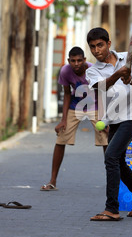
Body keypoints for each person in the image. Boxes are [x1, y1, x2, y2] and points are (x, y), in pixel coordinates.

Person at [86, 27, 132, 221]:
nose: (96, 50)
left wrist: (130, 79)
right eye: (92, 47)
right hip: (114, 117)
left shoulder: (128, 59)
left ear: (108, 44)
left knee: (110, 156)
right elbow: (101, 87)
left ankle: (112, 209)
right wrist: (118, 75)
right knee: (117, 161)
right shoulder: (92, 71)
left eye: (100, 45)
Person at [40, 46, 107, 191]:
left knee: (106, 140)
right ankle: (52, 181)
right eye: (73, 61)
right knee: (60, 139)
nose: (76, 64)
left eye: (79, 60)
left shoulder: (93, 71)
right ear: (68, 60)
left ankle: (114, 182)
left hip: (95, 106)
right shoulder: (65, 71)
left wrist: (104, 118)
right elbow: (67, 94)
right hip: (75, 107)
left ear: (84, 60)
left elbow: (102, 93)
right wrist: (63, 119)